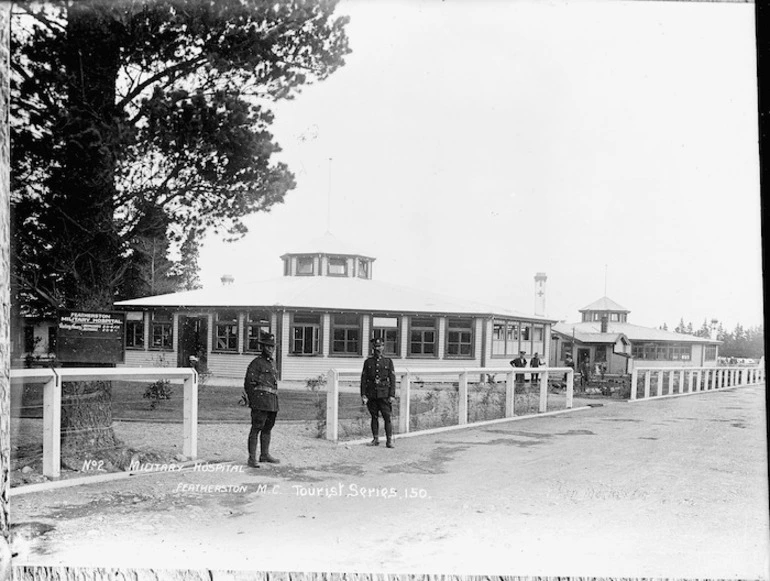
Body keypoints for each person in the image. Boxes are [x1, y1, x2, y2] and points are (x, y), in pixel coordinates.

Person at [243, 333, 280, 467]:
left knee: (268, 428)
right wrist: (253, 401)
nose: (270, 349)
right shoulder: (256, 363)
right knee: (256, 427)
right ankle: (252, 458)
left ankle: (264, 455)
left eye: (272, 346)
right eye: (268, 346)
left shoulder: (272, 363)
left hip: (272, 401)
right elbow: (248, 384)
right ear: (263, 347)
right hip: (260, 401)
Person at [360, 337, 396, 448]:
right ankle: (375, 439)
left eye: (380, 346)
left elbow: (392, 379)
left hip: (384, 394)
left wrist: (392, 395)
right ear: (373, 348)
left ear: (383, 347)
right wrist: (363, 395)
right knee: (374, 417)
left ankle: (389, 440)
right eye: (376, 347)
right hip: (372, 394)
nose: (378, 349)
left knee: (387, 417)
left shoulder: (388, 362)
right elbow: (363, 379)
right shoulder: (368, 362)